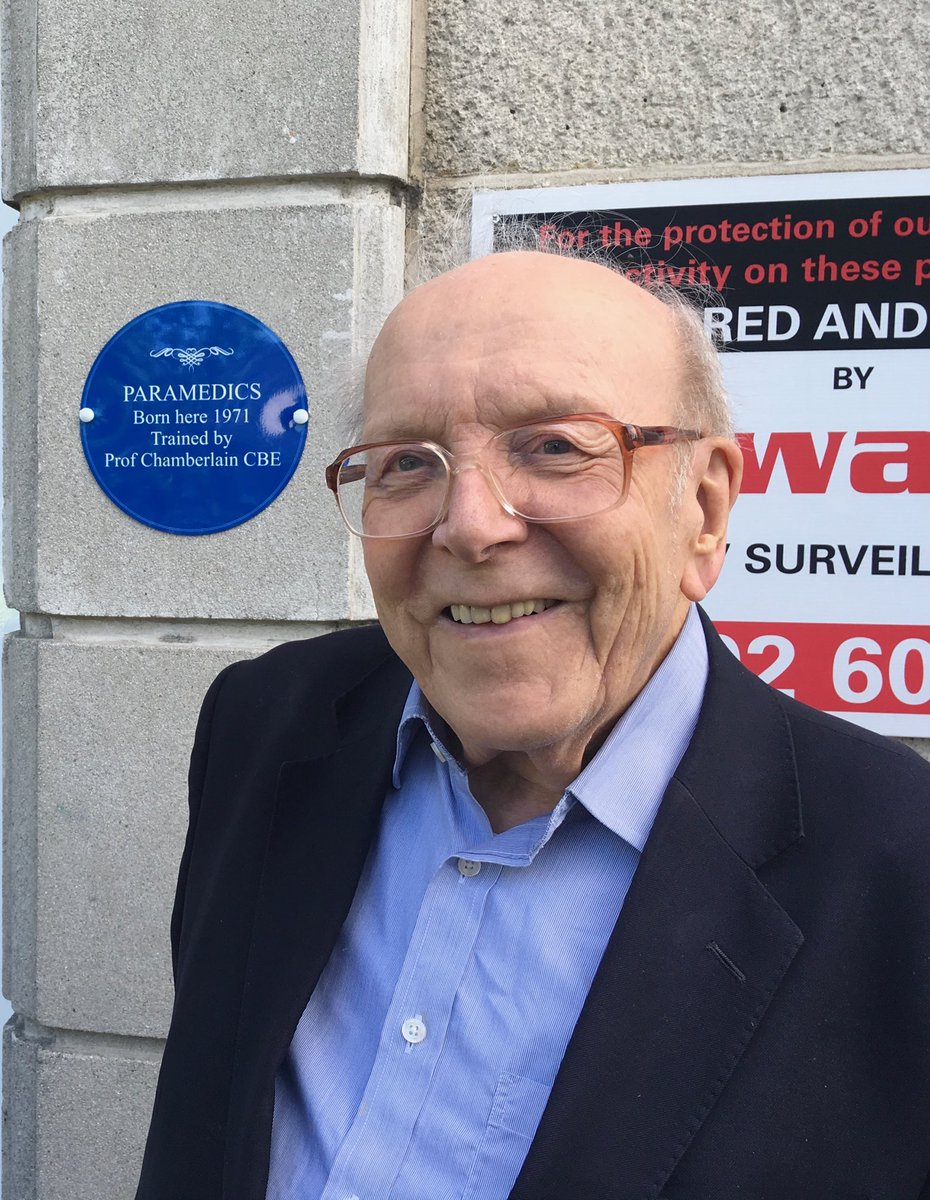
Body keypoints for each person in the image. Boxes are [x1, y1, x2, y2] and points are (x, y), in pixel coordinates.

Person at [136, 250, 930, 1200]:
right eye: (406, 465)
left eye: (555, 446)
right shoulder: (263, 726)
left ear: (707, 507)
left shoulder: (899, 868)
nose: (471, 526)